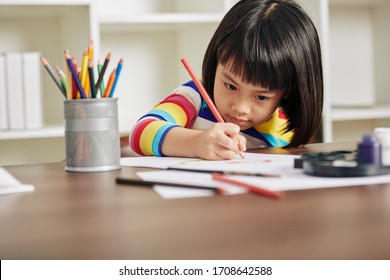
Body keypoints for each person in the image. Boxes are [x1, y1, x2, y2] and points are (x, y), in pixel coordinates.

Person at [127, 0, 323, 160]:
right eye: (230, 85)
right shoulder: (195, 96)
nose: (240, 107)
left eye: (261, 97)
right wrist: (197, 143)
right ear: (216, 59)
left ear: (288, 90)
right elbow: (141, 132)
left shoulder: (285, 127)